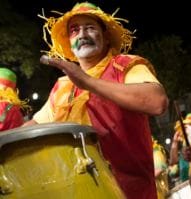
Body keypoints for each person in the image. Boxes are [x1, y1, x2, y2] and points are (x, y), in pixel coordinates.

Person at [24, 2, 168, 199]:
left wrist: (87, 81)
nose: (82, 34)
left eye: (90, 28)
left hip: (128, 193)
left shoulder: (124, 65)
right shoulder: (62, 85)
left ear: (106, 36)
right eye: (75, 30)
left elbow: (157, 101)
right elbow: (35, 126)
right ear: (69, 41)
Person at [169, 112, 191, 184]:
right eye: (185, 127)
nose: (186, 130)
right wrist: (175, 142)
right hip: (187, 184)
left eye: (189, 125)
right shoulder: (184, 145)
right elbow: (173, 162)